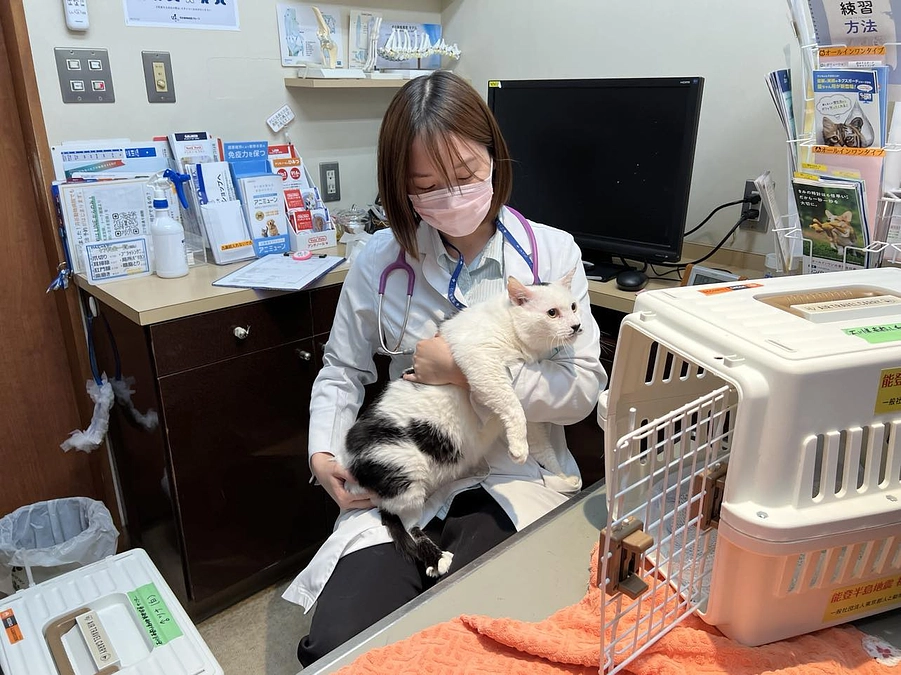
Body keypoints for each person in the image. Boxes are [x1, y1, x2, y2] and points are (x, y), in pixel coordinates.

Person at [284, 70, 607, 666]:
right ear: (399, 187)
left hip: (514, 475)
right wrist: (322, 454)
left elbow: (582, 389)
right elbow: (340, 370)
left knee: (480, 636)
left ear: (493, 156)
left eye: (463, 176)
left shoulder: (551, 256)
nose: (451, 197)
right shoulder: (378, 263)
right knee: (343, 647)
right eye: (427, 186)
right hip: (413, 470)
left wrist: (464, 368)